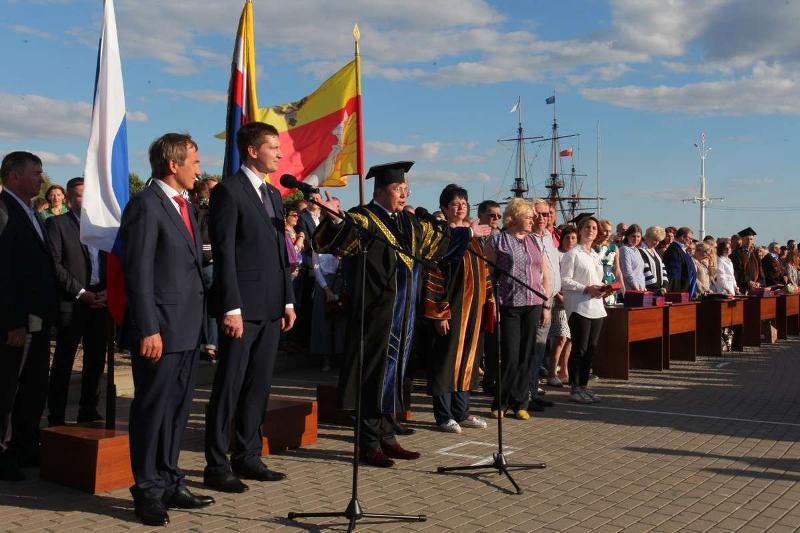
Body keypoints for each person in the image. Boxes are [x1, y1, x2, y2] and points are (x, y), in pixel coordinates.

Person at [313, 161, 488, 467]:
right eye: (398, 188)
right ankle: (368, 443)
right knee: (373, 376)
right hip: (374, 315)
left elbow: (440, 246)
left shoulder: (410, 222)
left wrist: (466, 233)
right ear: (380, 191)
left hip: (404, 315)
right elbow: (336, 243)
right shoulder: (363, 218)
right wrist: (335, 220)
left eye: (406, 188)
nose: (404, 193)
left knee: (392, 377)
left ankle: (387, 435)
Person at [119, 134, 214, 525]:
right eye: (195, 161)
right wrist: (148, 328)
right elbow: (137, 271)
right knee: (152, 410)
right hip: (160, 330)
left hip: (187, 327)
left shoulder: (186, 205)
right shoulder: (145, 205)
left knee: (177, 410)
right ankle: (147, 489)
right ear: (173, 164)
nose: (199, 169)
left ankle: (171, 480)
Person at [204, 122, 296, 491]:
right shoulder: (229, 191)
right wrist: (231, 307)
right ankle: (216, 464)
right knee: (229, 386)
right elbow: (224, 252)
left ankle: (248, 455)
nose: (279, 153)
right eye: (273, 147)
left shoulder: (273, 194)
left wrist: (287, 299)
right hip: (242, 308)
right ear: (253, 151)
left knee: (259, 385)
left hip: (271, 306)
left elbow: (280, 253)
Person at [0, 151, 57, 481]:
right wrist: (13, 322)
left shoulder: (31, 211)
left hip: (39, 319)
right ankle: (3, 452)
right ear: (13, 176)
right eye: (35, 173)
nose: (41, 178)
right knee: (7, 389)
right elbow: (5, 272)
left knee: (33, 386)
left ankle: (25, 444)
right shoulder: (4, 211)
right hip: (18, 322)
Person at [423, 184, 491, 433]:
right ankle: (443, 416)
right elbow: (434, 277)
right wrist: (439, 313)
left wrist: (490, 301)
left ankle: (462, 412)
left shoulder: (474, 239)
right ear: (444, 208)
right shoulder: (442, 236)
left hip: (473, 311)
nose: (461, 207)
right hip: (451, 311)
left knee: (468, 360)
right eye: (454, 203)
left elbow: (485, 273)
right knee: (445, 362)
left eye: (464, 203)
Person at [45, 177, 108, 426]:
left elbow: (111, 260)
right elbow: (55, 265)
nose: (87, 199)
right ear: (69, 199)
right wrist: (80, 292)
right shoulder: (57, 224)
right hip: (73, 301)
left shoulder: (102, 226)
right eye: (81, 195)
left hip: (100, 300)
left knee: (96, 359)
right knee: (64, 360)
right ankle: (57, 415)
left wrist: (108, 290)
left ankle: (88, 409)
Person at [484, 198, 550, 420]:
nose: (533, 220)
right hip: (509, 303)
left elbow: (543, 272)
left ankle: (521, 402)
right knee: (511, 355)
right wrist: (492, 301)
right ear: (514, 217)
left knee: (527, 354)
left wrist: (546, 304)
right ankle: (501, 401)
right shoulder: (498, 241)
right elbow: (489, 275)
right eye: (529, 216)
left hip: (533, 302)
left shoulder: (535, 241)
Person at [560, 215, 608, 404]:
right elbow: (565, 280)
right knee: (579, 348)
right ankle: (574, 388)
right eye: (587, 227)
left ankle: (584, 386)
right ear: (580, 230)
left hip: (597, 306)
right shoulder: (573, 254)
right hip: (579, 306)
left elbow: (597, 279)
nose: (591, 231)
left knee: (590, 349)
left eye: (594, 228)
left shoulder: (595, 254)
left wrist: (604, 288)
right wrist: (586, 288)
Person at [527, 198, 557, 411]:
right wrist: (545, 304)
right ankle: (526, 395)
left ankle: (533, 390)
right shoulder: (528, 238)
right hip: (536, 301)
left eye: (545, 214)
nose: (542, 218)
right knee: (532, 350)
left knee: (539, 350)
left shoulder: (548, 237)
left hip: (550, 299)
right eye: (537, 214)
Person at [547, 225, 576, 387]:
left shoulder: (576, 255)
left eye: (573, 238)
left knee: (569, 338)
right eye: (567, 238)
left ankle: (564, 370)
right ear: (562, 239)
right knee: (560, 337)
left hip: (572, 300)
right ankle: (551, 372)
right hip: (558, 301)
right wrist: (558, 296)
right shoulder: (556, 255)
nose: (570, 241)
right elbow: (552, 278)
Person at [191, 180, 217, 361]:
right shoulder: (211, 212)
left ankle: (204, 344)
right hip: (208, 262)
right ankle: (210, 345)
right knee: (211, 306)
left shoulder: (192, 211)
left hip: (199, 262)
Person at [593, 219, 623, 303]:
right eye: (605, 231)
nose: (607, 234)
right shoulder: (591, 247)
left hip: (610, 283)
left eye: (609, 231)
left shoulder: (614, 248)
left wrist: (622, 288)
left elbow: (617, 270)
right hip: (595, 283)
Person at [662, 226, 697, 297]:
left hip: (687, 292)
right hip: (679, 293)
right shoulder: (673, 250)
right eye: (689, 238)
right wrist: (676, 295)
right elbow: (674, 275)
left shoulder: (683, 250)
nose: (691, 241)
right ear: (682, 237)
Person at [730, 227, 761, 294]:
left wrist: (759, 282)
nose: (749, 241)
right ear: (742, 240)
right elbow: (738, 270)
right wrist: (748, 281)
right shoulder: (737, 253)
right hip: (742, 286)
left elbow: (760, 270)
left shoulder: (755, 253)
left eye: (751, 239)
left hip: (755, 287)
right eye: (747, 239)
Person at [640, 226, 669, 294]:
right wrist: (657, 289)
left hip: (660, 291)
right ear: (647, 237)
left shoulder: (655, 252)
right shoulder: (641, 251)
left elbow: (663, 270)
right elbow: (646, 271)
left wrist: (664, 286)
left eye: (658, 241)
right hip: (649, 290)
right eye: (654, 240)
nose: (656, 243)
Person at [619, 224, 646, 291]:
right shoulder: (624, 249)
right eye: (633, 236)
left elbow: (640, 272)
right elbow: (627, 272)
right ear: (628, 236)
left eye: (638, 236)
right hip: (630, 289)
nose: (636, 239)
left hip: (640, 288)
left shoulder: (637, 250)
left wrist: (643, 287)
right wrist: (636, 288)